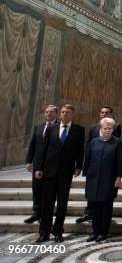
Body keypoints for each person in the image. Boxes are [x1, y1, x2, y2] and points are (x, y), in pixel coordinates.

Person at [34, 104, 85, 243]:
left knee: (62, 204)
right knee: (47, 204)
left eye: (67, 113)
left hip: (66, 172)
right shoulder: (51, 128)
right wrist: (38, 167)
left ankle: (58, 231)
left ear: (72, 114)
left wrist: (79, 166)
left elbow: (80, 150)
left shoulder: (79, 130)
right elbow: (42, 150)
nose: (64, 115)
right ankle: (44, 232)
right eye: (62, 112)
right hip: (49, 172)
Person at [77, 106, 122, 224]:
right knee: (92, 196)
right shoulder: (93, 131)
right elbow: (89, 149)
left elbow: (118, 156)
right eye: (102, 112)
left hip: (108, 171)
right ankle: (89, 214)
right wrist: (85, 170)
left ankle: (103, 227)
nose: (104, 114)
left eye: (106, 112)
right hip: (94, 171)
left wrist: (119, 176)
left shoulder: (116, 130)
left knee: (105, 201)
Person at [82, 118, 122, 242]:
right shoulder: (94, 142)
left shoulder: (117, 143)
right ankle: (95, 231)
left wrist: (118, 177)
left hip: (109, 180)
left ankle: (103, 232)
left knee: (106, 207)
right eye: (105, 128)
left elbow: (120, 161)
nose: (107, 130)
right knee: (94, 207)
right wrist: (86, 174)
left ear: (112, 130)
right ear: (101, 129)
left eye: (110, 128)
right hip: (93, 179)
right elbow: (88, 159)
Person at [24, 105, 57, 224]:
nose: (48, 114)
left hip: (51, 166)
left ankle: (45, 214)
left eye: (51, 112)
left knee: (47, 191)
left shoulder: (59, 127)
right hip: (37, 165)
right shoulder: (39, 127)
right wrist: (29, 161)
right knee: (36, 189)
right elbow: (33, 145)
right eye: (46, 112)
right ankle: (36, 213)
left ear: (56, 113)